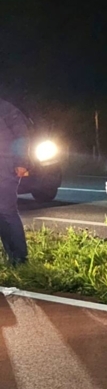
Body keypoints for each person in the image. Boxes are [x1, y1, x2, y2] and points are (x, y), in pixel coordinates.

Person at [0, 97, 29, 266]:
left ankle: (20, 257)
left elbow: (22, 134)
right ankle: (11, 255)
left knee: (7, 211)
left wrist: (21, 161)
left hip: (5, 165)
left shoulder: (5, 108)